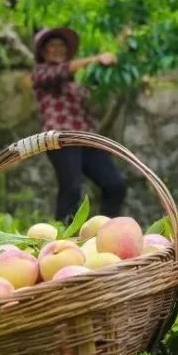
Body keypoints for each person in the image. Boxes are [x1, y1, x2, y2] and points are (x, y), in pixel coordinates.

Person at [31, 27, 127, 223]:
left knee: (115, 184)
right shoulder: (41, 73)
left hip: (86, 139)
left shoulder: (77, 83)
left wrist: (118, 47)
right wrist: (96, 59)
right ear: (43, 52)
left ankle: (105, 231)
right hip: (61, 139)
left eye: (61, 46)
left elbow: (95, 98)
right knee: (72, 187)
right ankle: (62, 236)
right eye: (52, 46)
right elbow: (61, 71)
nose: (57, 50)